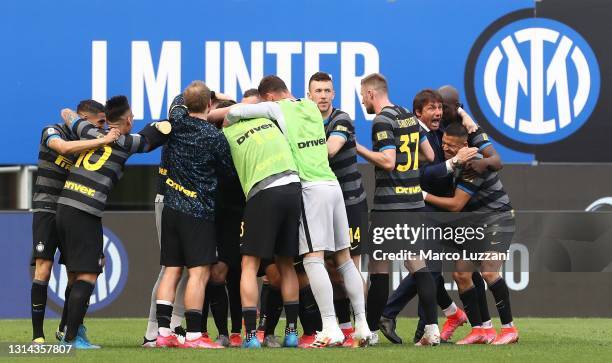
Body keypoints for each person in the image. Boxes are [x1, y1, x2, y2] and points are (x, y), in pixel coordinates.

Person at [219, 75, 372, 348]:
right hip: (333, 185)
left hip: (312, 188)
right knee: (345, 261)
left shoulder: (278, 108)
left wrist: (214, 112)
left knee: (313, 260)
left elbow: (237, 111)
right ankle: (362, 325)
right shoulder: (310, 106)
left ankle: (329, 327)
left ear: (269, 97)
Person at [57, 96, 168, 349]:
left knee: (75, 276)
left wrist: (98, 132)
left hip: (65, 206)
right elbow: (152, 138)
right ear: (128, 120)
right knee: (87, 275)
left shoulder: (88, 129)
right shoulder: (126, 142)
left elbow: (66, 112)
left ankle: (71, 331)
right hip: (85, 210)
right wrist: (173, 120)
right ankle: (71, 340)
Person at [355, 73, 440, 346]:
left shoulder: (382, 120)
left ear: (370, 94)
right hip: (414, 202)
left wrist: (357, 148)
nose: (362, 102)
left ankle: (369, 333)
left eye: (362, 96)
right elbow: (430, 155)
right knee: (418, 265)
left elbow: (388, 161)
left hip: (390, 206)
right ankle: (431, 330)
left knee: (379, 270)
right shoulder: (407, 115)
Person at [30, 100, 119, 345]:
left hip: (71, 210)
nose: (102, 127)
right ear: (83, 119)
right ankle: (38, 335)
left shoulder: (91, 143)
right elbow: (63, 148)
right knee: (44, 268)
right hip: (47, 207)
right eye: (99, 122)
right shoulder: (53, 130)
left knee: (75, 274)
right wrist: (103, 139)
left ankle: (65, 330)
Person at [423, 122, 519, 345]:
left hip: (498, 219)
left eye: (452, 146)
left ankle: (509, 329)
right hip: (476, 224)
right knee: (462, 275)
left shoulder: (473, 164)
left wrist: (423, 196)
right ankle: (481, 330)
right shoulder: (455, 161)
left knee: (489, 272)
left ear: (465, 145)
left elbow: (456, 204)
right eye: (444, 143)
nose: (446, 149)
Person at [154, 81, 233, 349]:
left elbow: (178, 101)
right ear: (210, 105)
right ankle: (194, 335)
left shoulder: (175, 122)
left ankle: (163, 333)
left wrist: (209, 95)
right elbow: (228, 174)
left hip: (171, 209)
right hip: (198, 212)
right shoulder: (215, 137)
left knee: (171, 270)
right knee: (199, 274)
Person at [222, 100, 303, 348]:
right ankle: (291, 333)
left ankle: (250, 337)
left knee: (249, 264)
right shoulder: (269, 123)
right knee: (286, 264)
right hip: (293, 186)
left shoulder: (225, 134)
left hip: (264, 190)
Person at [306, 71, 368, 346]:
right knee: (332, 267)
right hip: (324, 200)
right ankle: (343, 327)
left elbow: (330, 150)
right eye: (317, 91)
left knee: (349, 264)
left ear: (333, 94)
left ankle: (363, 326)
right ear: (309, 95)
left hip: (350, 200)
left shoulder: (341, 118)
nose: (322, 95)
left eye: (326, 91)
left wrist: (298, 147)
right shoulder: (307, 120)